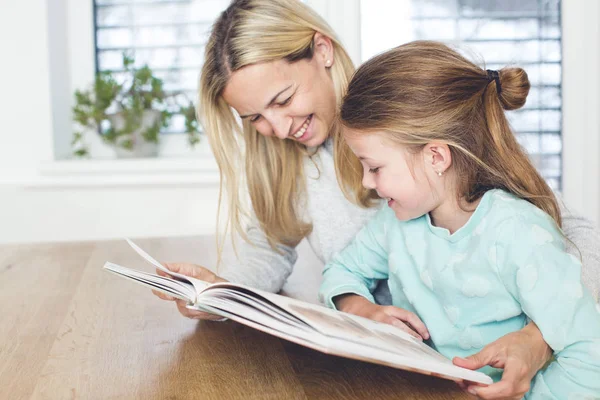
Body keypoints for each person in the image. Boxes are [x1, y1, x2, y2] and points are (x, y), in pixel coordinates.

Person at [152, 1, 600, 398]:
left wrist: (544, 333)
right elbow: (271, 245)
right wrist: (217, 294)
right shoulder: (292, 162)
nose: (280, 127)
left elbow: (565, 232)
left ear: (322, 51)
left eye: (284, 99)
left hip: (493, 363)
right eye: (255, 119)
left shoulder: (402, 115)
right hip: (402, 363)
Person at [319, 40, 600, 399]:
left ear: (436, 157)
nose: (366, 183)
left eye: (374, 167)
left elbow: (588, 353)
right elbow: (341, 271)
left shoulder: (515, 231)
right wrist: (361, 308)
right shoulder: (395, 222)